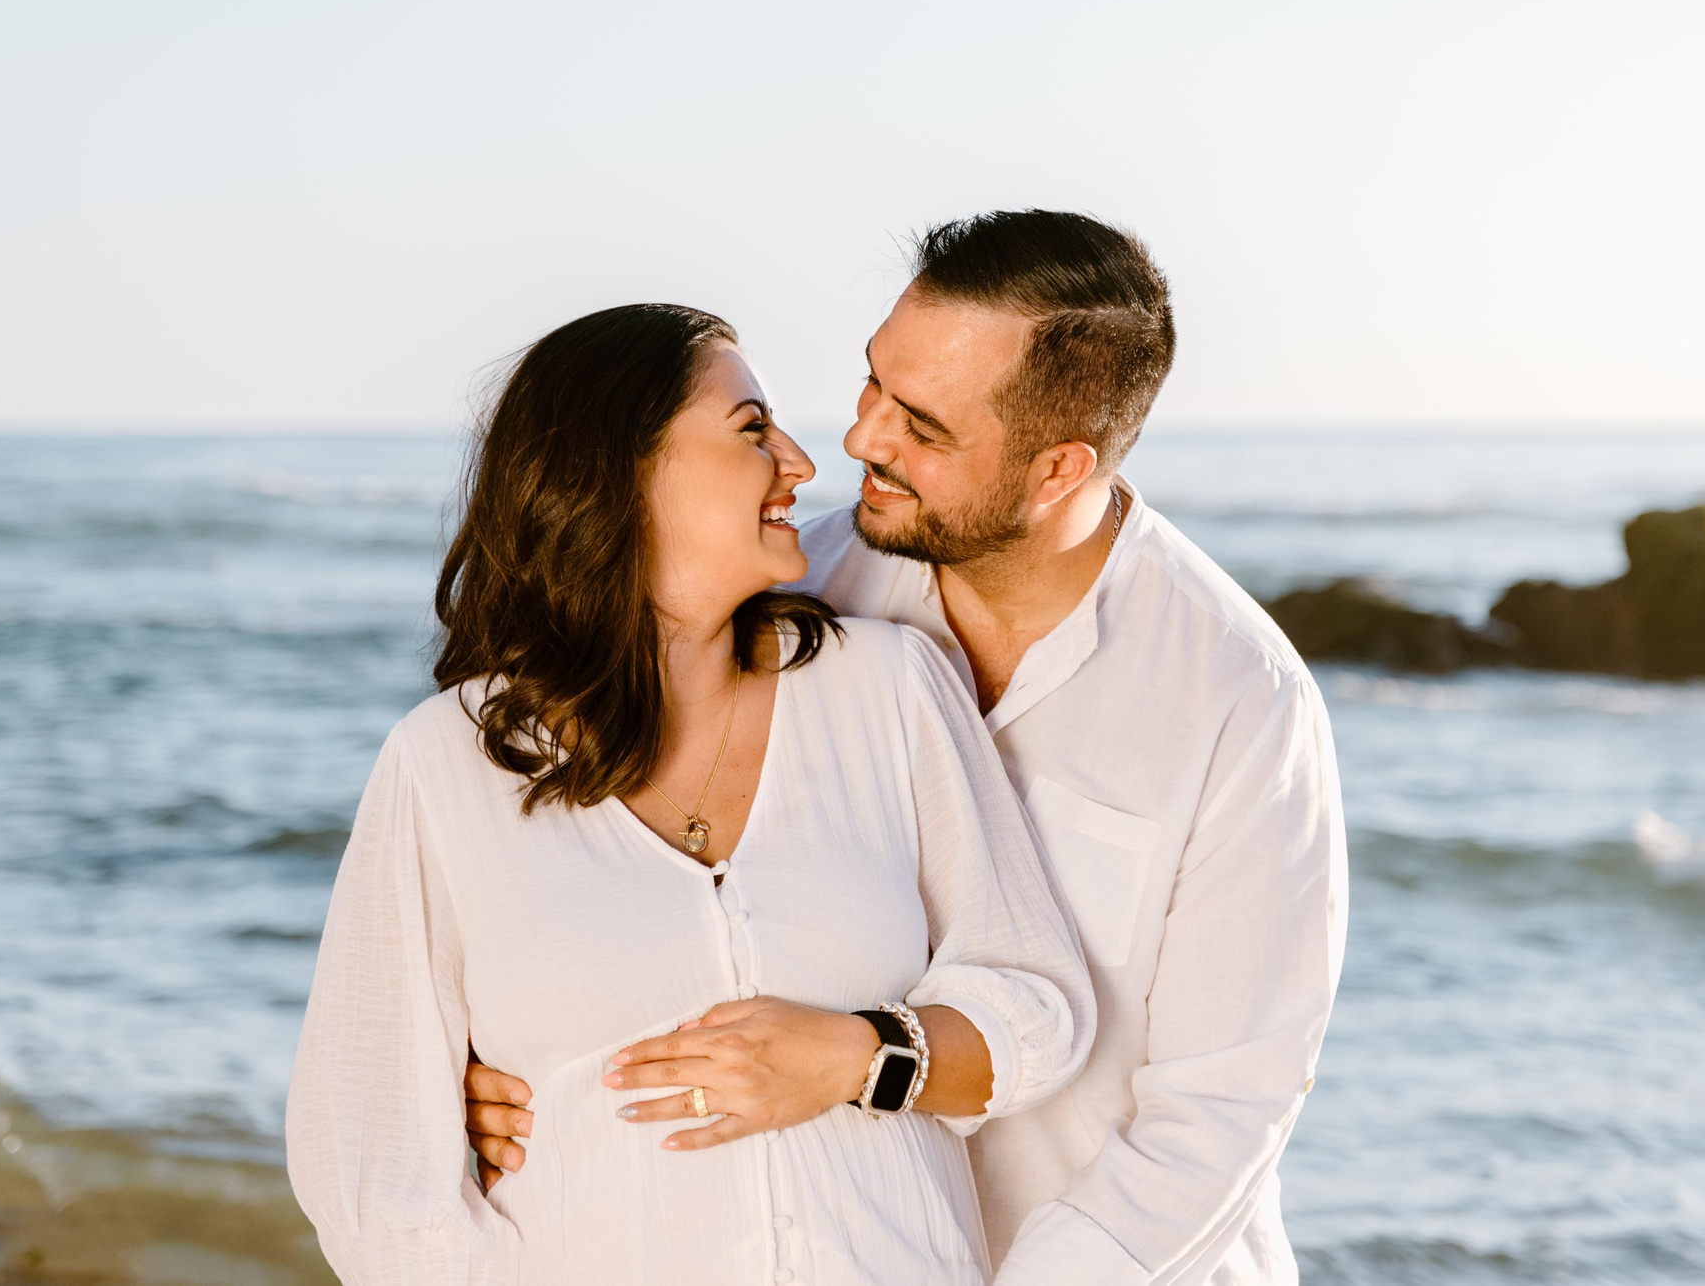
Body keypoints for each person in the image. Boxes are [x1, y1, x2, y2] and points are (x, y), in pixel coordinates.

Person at [466, 214, 1350, 1284]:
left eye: (921, 426)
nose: (861, 440)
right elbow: (600, 861)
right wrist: (495, 1064)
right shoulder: (794, 596)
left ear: (1056, 471)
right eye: (872, 383)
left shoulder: (1235, 701)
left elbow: (1221, 1110)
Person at [287, 302, 1094, 1286]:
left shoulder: (888, 686)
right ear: (620, 472)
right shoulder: (445, 763)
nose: (799, 462)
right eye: (752, 430)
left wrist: (860, 1054)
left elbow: (1037, 1003)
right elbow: (373, 1165)